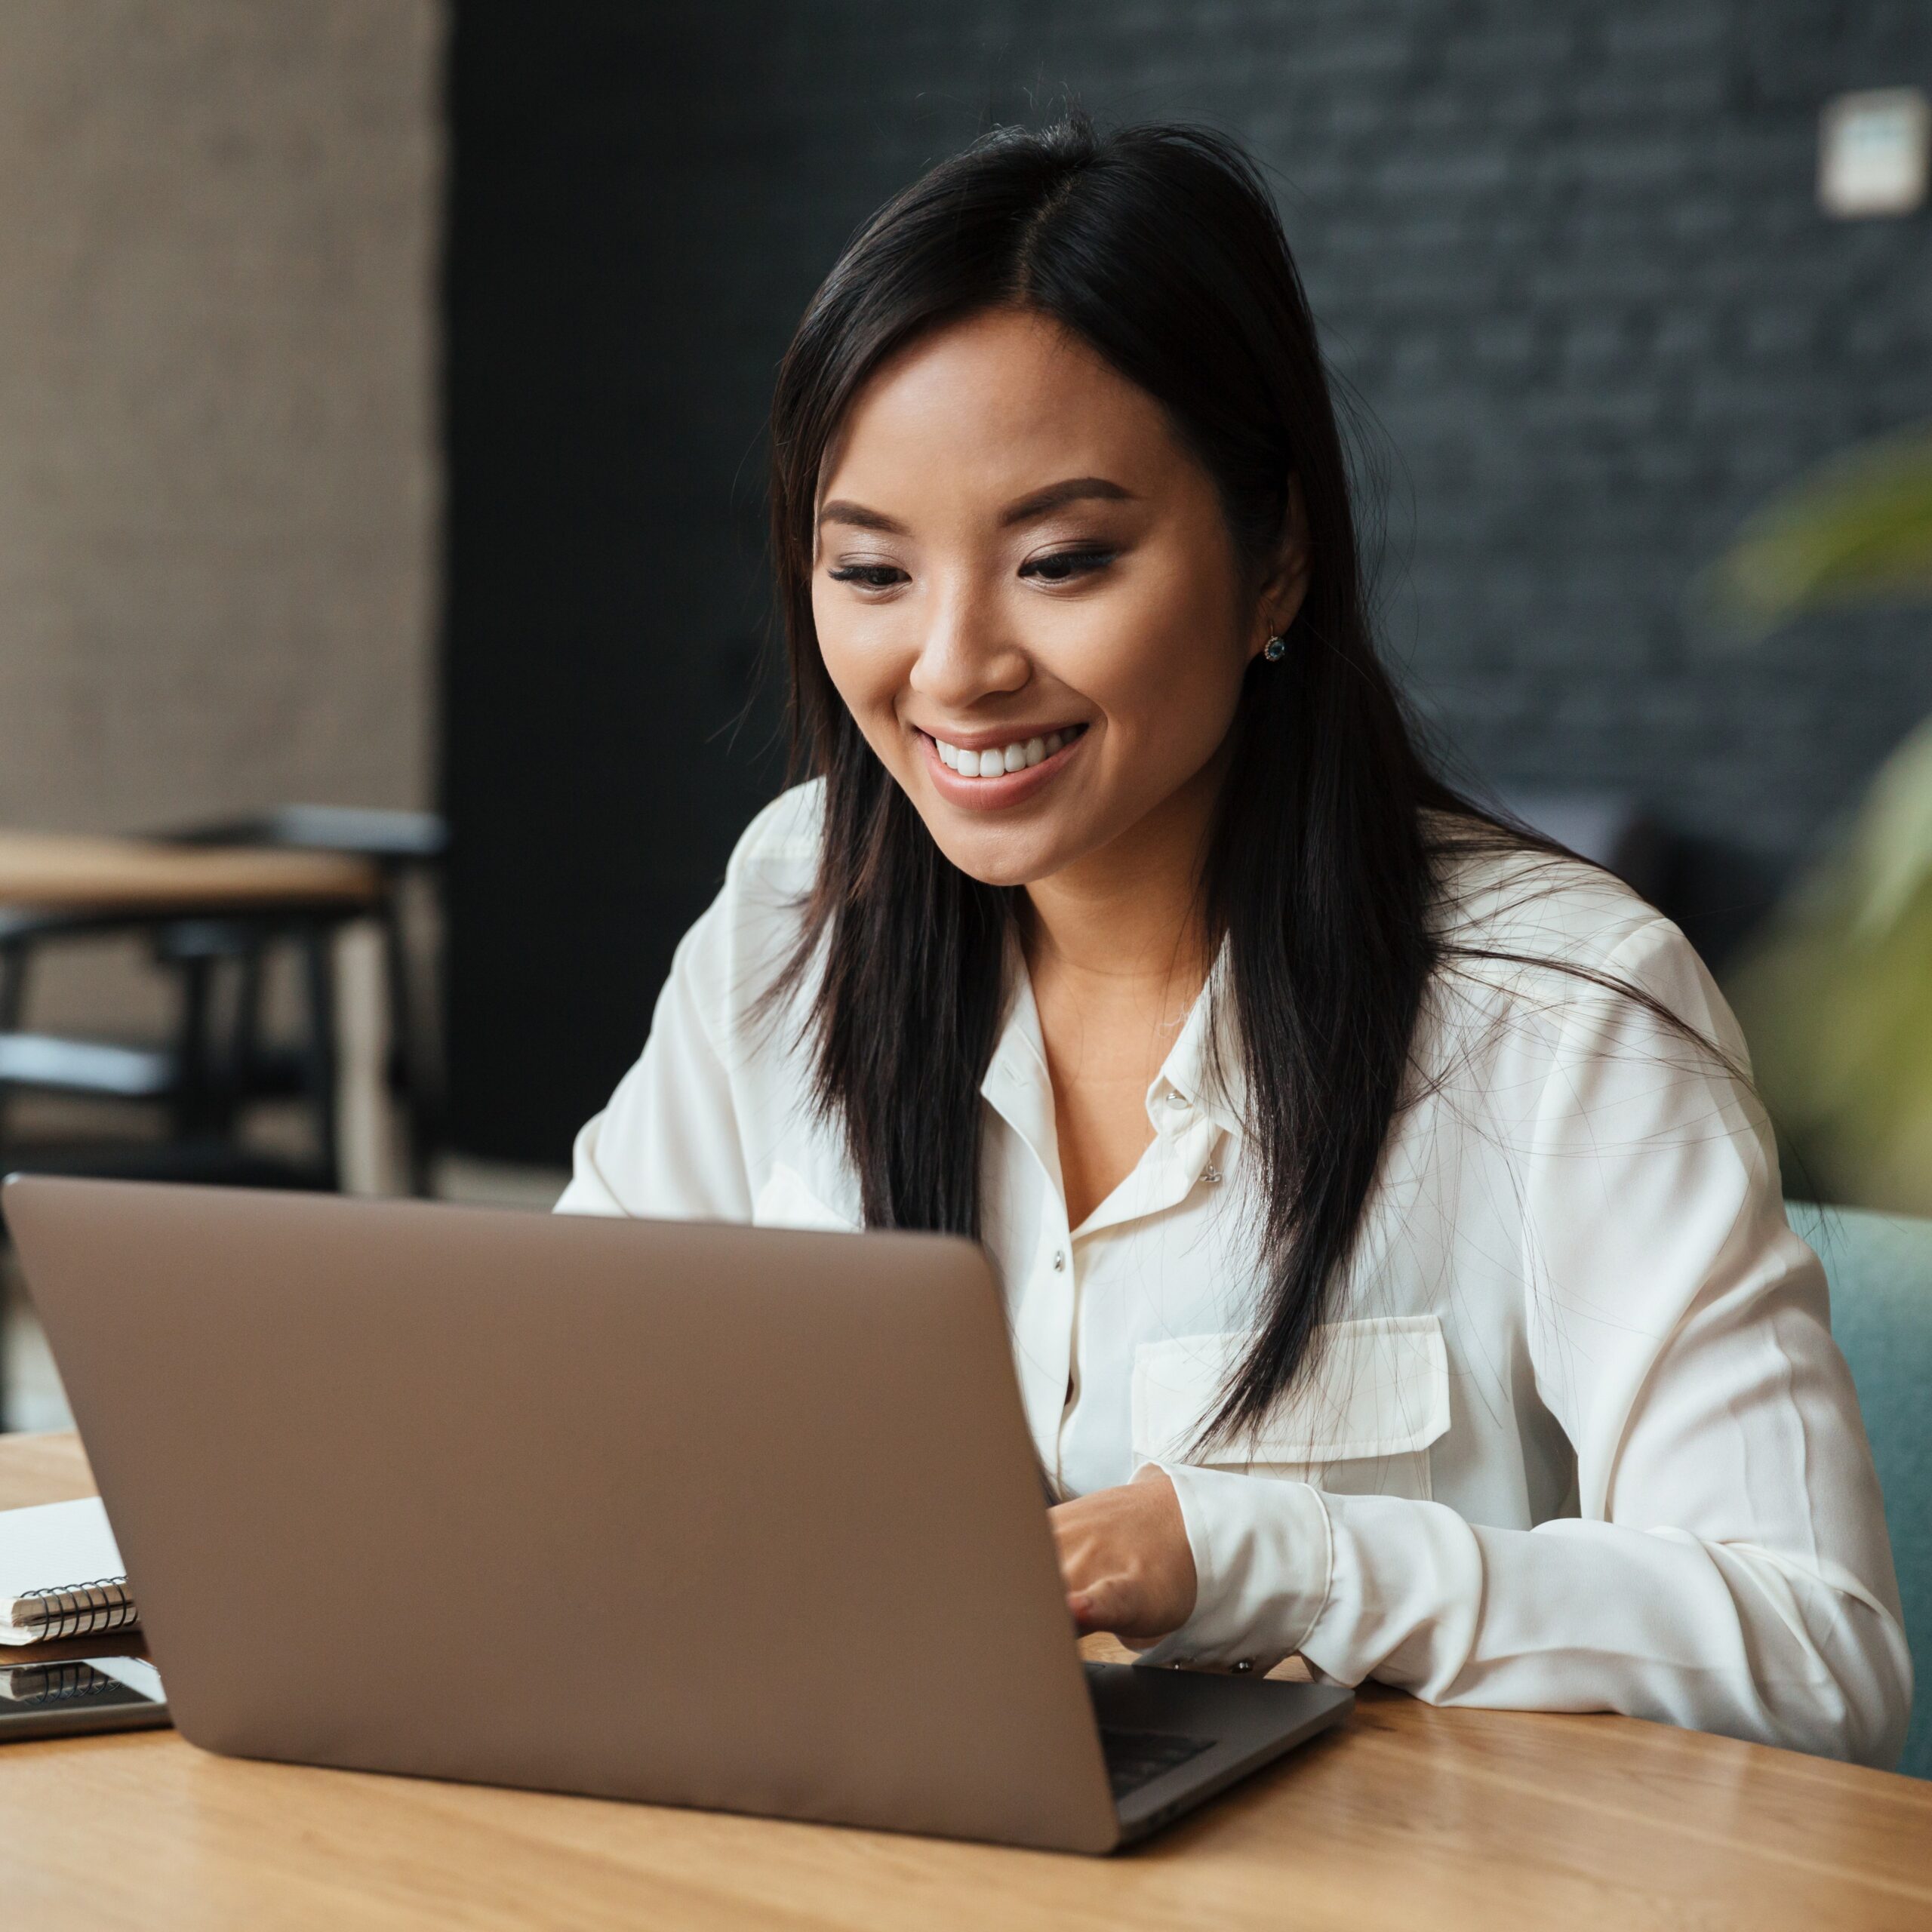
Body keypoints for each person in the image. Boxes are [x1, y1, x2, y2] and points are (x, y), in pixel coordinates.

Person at [558, 118, 1910, 1767]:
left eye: (1060, 560)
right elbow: (572, 1405)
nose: (954, 664)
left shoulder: (1561, 1013)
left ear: (1273, 557)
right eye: (869, 569)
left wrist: (1253, 1556)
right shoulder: (799, 907)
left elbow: (1817, 1653)